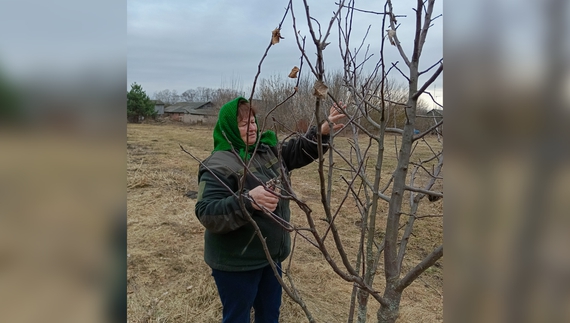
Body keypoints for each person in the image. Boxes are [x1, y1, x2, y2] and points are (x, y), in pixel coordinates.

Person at [195, 96, 345, 323]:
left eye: (254, 121)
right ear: (228, 129)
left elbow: (296, 151)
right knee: (237, 317)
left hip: (270, 257)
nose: (252, 127)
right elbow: (207, 213)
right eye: (244, 124)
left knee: (269, 315)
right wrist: (247, 200)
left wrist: (320, 133)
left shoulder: (265, 149)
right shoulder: (218, 165)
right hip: (237, 263)